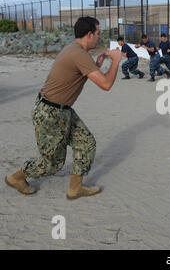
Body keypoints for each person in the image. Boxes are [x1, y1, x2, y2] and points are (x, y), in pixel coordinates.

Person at [5, 16, 123, 200]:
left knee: (86, 143)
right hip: (50, 113)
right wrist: (116, 61)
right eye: (98, 33)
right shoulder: (79, 54)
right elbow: (106, 85)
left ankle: (75, 188)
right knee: (52, 164)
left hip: (63, 110)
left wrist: (98, 64)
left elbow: (79, 73)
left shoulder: (75, 50)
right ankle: (16, 177)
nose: (99, 37)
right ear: (90, 34)